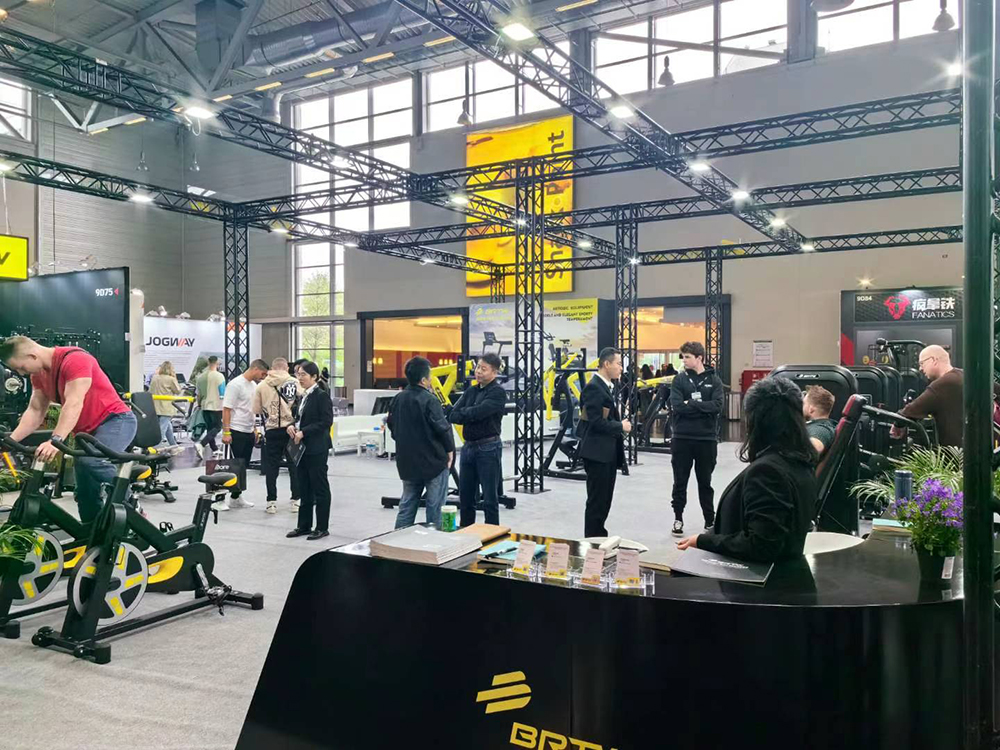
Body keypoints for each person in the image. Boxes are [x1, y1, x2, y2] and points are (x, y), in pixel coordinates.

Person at [677, 377, 817, 562]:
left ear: (756, 420)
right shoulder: (800, 462)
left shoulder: (768, 472)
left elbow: (761, 545)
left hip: (756, 577)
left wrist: (704, 541)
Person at [0, 336, 137, 524]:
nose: (21, 373)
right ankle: (91, 531)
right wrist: (10, 442)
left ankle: (132, 509)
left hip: (116, 420)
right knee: (84, 493)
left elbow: (74, 403)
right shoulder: (38, 375)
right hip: (86, 433)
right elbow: (36, 410)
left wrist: (55, 440)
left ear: (32, 356)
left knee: (92, 461)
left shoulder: (76, 360)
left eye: (21, 367)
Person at [386, 356, 455, 529]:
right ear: (424, 380)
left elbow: (391, 425)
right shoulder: (430, 400)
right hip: (433, 462)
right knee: (435, 507)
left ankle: (399, 539)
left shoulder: (398, 399)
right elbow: (442, 428)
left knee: (407, 504)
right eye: (430, 376)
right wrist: (450, 451)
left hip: (407, 462)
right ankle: (432, 541)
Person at [669, 341, 724, 536]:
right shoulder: (679, 380)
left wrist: (691, 403)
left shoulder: (714, 380)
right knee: (680, 481)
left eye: (687, 357)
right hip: (682, 438)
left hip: (706, 440)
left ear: (699, 358)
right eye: (683, 357)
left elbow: (717, 406)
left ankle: (709, 520)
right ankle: (678, 518)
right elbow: (677, 406)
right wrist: (702, 407)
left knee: (705, 482)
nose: (684, 360)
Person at [577, 347, 631, 538]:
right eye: (618, 364)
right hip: (597, 454)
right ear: (606, 364)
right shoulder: (594, 388)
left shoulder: (605, 387)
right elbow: (596, 422)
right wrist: (620, 426)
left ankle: (599, 537)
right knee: (597, 502)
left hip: (606, 453)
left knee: (604, 501)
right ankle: (592, 541)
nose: (621, 368)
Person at [448, 352, 506, 527]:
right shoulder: (471, 391)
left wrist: (466, 413)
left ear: (494, 372)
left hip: (488, 448)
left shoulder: (497, 393)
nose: (478, 371)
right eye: (478, 367)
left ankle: (492, 535)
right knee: (466, 498)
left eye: (484, 369)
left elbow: (479, 412)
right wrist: (468, 413)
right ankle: (466, 533)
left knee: (489, 499)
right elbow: (453, 415)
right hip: (468, 448)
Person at [286, 361, 333, 541]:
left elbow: (326, 422)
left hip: (316, 447)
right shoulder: (302, 396)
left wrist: (304, 432)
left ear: (314, 377)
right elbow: (299, 418)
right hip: (302, 448)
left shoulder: (321, 396)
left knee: (319, 487)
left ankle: (321, 527)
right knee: (303, 486)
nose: (299, 378)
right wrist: (292, 426)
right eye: (298, 374)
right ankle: (304, 525)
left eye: (303, 374)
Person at [253, 357, 302, 515]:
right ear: (286, 368)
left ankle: (271, 502)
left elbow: (256, 409)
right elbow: (303, 402)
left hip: (272, 429)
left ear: (272, 368)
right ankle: (296, 500)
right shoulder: (294, 382)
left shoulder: (261, 385)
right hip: (291, 429)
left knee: (272, 467)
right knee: (294, 465)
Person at [892, 345, 966, 448]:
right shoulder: (962, 375)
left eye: (922, 363)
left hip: (955, 453)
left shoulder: (943, 384)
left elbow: (912, 409)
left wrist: (897, 424)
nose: (920, 368)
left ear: (934, 360)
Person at [221, 359, 268, 509]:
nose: (263, 377)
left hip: (248, 430)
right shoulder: (235, 385)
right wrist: (226, 432)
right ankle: (219, 499)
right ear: (255, 369)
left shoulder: (253, 385)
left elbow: (251, 409)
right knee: (230, 467)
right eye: (263, 374)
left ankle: (236, 497)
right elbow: (226, 409)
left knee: (242, 467)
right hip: (235, 430)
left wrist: (254, 429)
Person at [149, 361, 183, 455]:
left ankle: (174, 446)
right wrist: (175, 378)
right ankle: (156, 449)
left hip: (155, 406)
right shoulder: (171, 379)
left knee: (168, 427)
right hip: (166, 407)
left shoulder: (155, 378)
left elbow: (150, 390)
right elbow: (178, 391)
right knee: (162, 429)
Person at [195, 356, 226, 460]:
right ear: (217, 363)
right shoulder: (219, 376)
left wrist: (199, 404)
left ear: (208, 362)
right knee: (217, 427)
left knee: (209, 428)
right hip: (216, 406)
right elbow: (222, 392)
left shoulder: (200, 377)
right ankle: (202, 444)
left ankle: (214, 449)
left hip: (204, 405)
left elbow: (198, 394)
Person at [803, 385, 837, 457]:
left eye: (803, 404)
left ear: (811, 409)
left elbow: (813, 450)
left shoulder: (821, 429)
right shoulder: (816, 425)